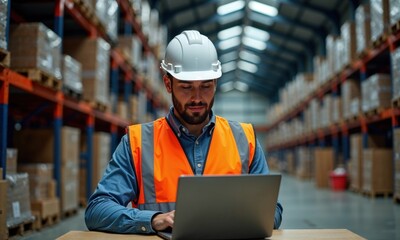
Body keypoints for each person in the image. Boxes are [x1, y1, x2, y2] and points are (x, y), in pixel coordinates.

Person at [85, 30, 283, 234]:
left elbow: (273, 211)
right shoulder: (137, 143)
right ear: (168, 84)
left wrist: (231, 219)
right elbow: (97, 210)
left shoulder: (244, 139)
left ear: (215, 83)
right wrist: (153, 220)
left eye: (205, 86)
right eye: (186, 87)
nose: (197, 98)